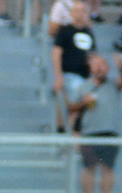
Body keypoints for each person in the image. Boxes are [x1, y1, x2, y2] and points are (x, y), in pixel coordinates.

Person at [67, 54, 122, 193]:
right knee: (89, 167)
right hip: (89, 131)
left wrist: (121, 66)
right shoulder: (83, 86)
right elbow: (72, 107)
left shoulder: (112, 85)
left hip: (110, 131)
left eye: (103, 64)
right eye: (96, 65)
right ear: (90, 68)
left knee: (108, 168)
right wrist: (84, 102)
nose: (100, 68)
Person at [52, 1, 94, 133]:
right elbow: (56, 53)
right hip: (69, 75)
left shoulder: (88, 32)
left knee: (80, 110)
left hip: (85, 77)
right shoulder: (65, 31)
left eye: (82, 11)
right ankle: (66, 136)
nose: (79, 14)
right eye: (77, 11)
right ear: (71, 13)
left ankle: (71, 138)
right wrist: (58, 77)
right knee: (72, 108)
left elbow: (93, 55)